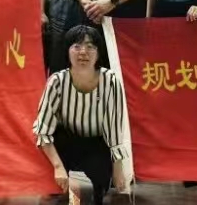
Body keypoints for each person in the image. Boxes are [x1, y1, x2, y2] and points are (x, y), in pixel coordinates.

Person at [33, 25, 128, 204]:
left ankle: (96, 188)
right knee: (57, 187)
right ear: (67, 51)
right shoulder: (57, 81)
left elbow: (114, 128)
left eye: (90, 46)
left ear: (98, 53)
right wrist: (57, 166)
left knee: (98, 189)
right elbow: (42, 130)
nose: (83, 52)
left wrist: (118, 168)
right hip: (66, 141)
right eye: (76, 46)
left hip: (97, 143)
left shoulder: (111, 81)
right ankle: (60, 188)